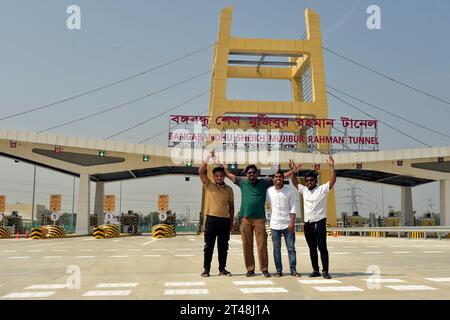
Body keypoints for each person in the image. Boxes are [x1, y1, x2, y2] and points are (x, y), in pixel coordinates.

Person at [221, 163, 294, 277]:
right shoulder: (242, 182)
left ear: (257, 174)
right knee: (247, 245)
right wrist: (223, 168)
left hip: (260, 219)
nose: (251, 174)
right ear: (246, 174)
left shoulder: (263, 183)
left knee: (262, 245)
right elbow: (230, 175)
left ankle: (264, 269)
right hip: (245, 218)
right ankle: (250, 269)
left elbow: (280, 176)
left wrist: (292, 171)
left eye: (254, 173)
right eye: (249, 173)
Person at [289, 156, 336, 279]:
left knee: (322, 248)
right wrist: (293, 171)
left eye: (311, 180)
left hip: (319, 222)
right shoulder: (304, 190)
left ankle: (325, 271)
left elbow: (332, 182)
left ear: (316, 180)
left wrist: (331, 167)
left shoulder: (322, 189)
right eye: (307, 180)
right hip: (308, 224)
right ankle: (315, 270)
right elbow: (294, 182)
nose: (309, 182)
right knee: (312, 248)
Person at [199, 151, 234, 277]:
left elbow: (231, 207)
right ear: (213, 177)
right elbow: (201, 172)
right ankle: (206, 269)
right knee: (208, 246)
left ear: (224, 176)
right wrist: (208, 158)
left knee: (223, 247)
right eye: (217, 176)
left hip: (224, 221)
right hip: (211, 220)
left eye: (221, 176)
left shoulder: (229, 189)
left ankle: (222, 269)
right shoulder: (208, 185)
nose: (219, 178)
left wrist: (231, 223)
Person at [266, 170, 301, 277]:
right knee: (276, 249)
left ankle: (293, 270)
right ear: (273, 179)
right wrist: (267, 218)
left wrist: (292, 222)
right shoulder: (269, 191)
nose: (278, 179)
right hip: (274, 224)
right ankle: (278, 270)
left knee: (291, 248)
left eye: (280, 177)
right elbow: (266, 205)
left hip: (287, 224)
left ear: (283, 179)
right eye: (276, 177)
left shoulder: (289, 190)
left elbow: (293, 207)